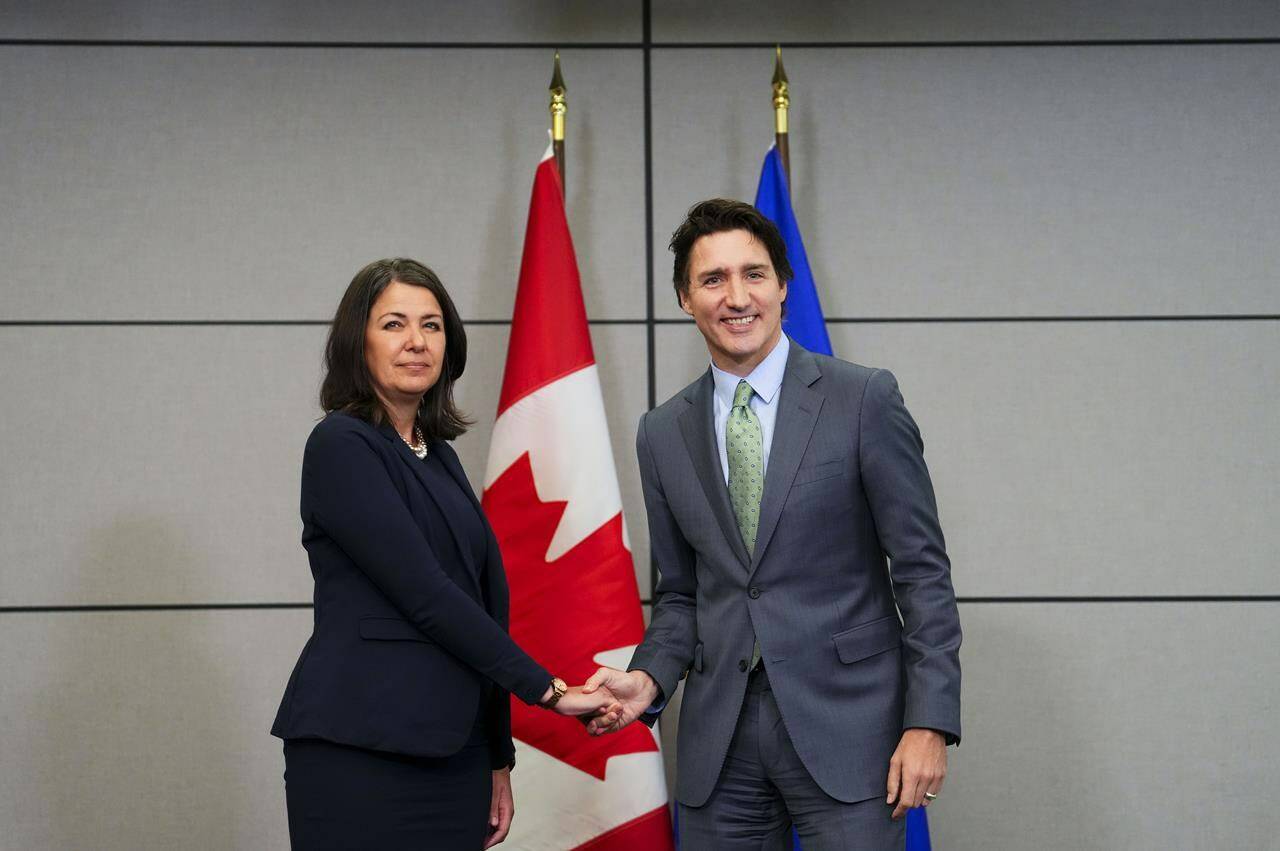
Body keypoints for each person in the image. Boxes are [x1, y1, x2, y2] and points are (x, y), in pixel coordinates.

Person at [583, 201, 962, 849]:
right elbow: (683, 593)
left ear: (783, 285)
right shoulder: (661, 432)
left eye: (754, 274)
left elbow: (922, 573)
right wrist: (646, 678)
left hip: (852, 733)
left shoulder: (864, 400)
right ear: (684, 297)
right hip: (720, 745)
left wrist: (928, 720)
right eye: (713, 280)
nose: (737, 297)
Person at [270, 258, 615, 850]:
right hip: (361, 751)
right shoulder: (341, 445)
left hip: (454, 758)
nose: (416, 342)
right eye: (394, 324)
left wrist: (498, 757)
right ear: (359, 341)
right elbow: (427, 596)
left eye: (431, 326)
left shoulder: (440, 455)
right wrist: (551, 691)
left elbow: (483, 606)